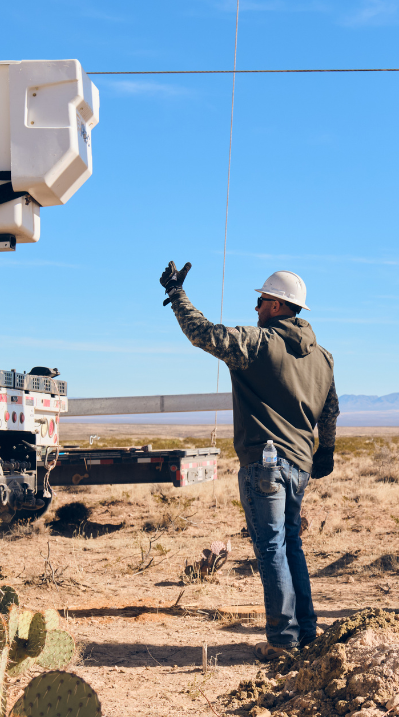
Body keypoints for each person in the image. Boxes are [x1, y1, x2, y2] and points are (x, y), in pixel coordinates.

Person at [159, 262, 339, 661]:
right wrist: (324, 451)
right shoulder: (324, 358)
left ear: (276, 305)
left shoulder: (259, 343)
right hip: (299, 467)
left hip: (266, 465)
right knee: (291, 545)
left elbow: (203, 334)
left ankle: (282, 640)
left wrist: (176, 293)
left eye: (260, 301)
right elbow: (331, 411)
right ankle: (305, 631)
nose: (255, 308)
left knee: (272, 548)